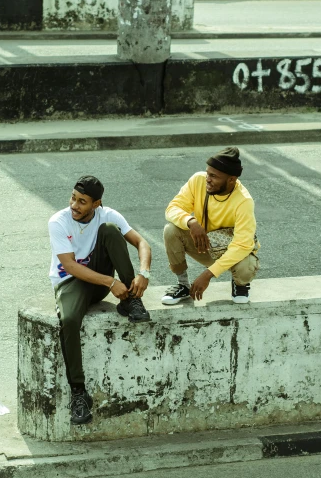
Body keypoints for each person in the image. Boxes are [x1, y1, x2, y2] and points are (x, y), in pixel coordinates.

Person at [48, 176, 152, 425]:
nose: (74, 205)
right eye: (73, 198)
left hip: (100, 280)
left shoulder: (108, 215)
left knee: (110, 232)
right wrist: (110, 282)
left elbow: (142, 242)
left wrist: (143, 273)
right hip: (70, 282)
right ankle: (78, 393)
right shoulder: (58, 222)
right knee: (70, 320)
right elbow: (71, 266)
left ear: (96, 203)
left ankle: (131, 301)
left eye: (82, 201)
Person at [161, 147, 259, 305]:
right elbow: (172, 208)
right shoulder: (198, 180)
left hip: (230, 250)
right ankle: (183, 285)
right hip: (204, 244)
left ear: (231, 180)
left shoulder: (244, 201)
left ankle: (240, 283)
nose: (208, 179)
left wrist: (207, 275)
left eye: (214, 176)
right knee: (171, 230)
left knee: (246, 268)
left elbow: (242, 244)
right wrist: (191, 222)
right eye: (208, 173)